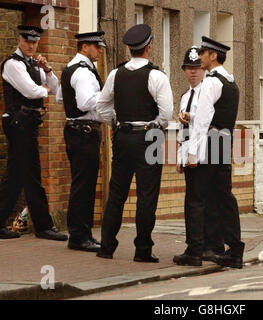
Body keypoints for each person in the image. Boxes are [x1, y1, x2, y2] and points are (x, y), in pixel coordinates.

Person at [95, 24, 173, 261]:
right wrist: (154, 126)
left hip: (122, 136)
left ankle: (106, 247)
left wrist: (115, 124)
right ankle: (143, 250)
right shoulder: (156, 76)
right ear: (148, 47)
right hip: (149, 137)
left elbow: (101, 107)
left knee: (117, 194)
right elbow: (166, 113)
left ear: (131, 49)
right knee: (147, 195)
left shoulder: (115, 74)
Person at [0, 25, 67, 241]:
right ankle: (43, 226)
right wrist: (44, 90)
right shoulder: (12, 64)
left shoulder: (33, 64)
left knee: (16, 175)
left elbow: (56, 87)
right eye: (27, 41)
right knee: (31, 174)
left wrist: (47, 70)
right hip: (17, 122)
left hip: (28, 123)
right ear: (19, 40)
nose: (31, 45)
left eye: (35, 42)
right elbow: (31, 91)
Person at [173, 36, 245, 269]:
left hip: (208, 144)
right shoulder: (229, 81)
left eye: (203, 53)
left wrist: (191, 154)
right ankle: (234, 249)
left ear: (212, 56)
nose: (200, 57)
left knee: (196, 198)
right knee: (224, 197)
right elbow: (215, 115)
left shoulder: (211, 82)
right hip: (224, 142)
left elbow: (204, 120)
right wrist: (190, 116)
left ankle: (194, 251)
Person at [56, 31, 106, 252]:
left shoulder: (70, 68)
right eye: (97, 46)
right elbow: (86, 101)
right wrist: (107, 97)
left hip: (76, 130)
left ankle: (82, 234)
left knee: (81, 184)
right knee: (84, 186)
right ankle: (79, 236)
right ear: (85, 47)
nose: (100, 50)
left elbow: (60, 97)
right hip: (84, 131)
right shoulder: (83, 71)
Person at [175, 46, 224, 266]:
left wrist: (193, 154)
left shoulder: (207, 90)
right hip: (191, 153)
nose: (193, 72)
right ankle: (199, 245)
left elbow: (203, 122)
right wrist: (180, 157)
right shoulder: (185, 96)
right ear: (184, 70)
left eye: (197, 68)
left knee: (199, 203)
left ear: (202, 70)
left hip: (203, 153)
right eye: (189, 68)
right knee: (193, 202)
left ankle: (199, 248)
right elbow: (183, 131)